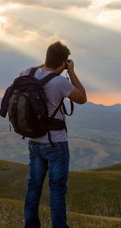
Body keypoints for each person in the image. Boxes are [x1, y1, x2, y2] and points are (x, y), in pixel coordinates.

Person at [20, 41, 87, 228]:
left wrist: (49, 65)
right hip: (55, 143)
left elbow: (35, 70)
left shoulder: (28, 73)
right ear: (63, 62)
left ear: (46, 57)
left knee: (33, 187)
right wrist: (71, 71)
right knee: (57, 190)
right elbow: (82, 97)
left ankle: (31, 225)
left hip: (34, 141)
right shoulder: (60, 82)